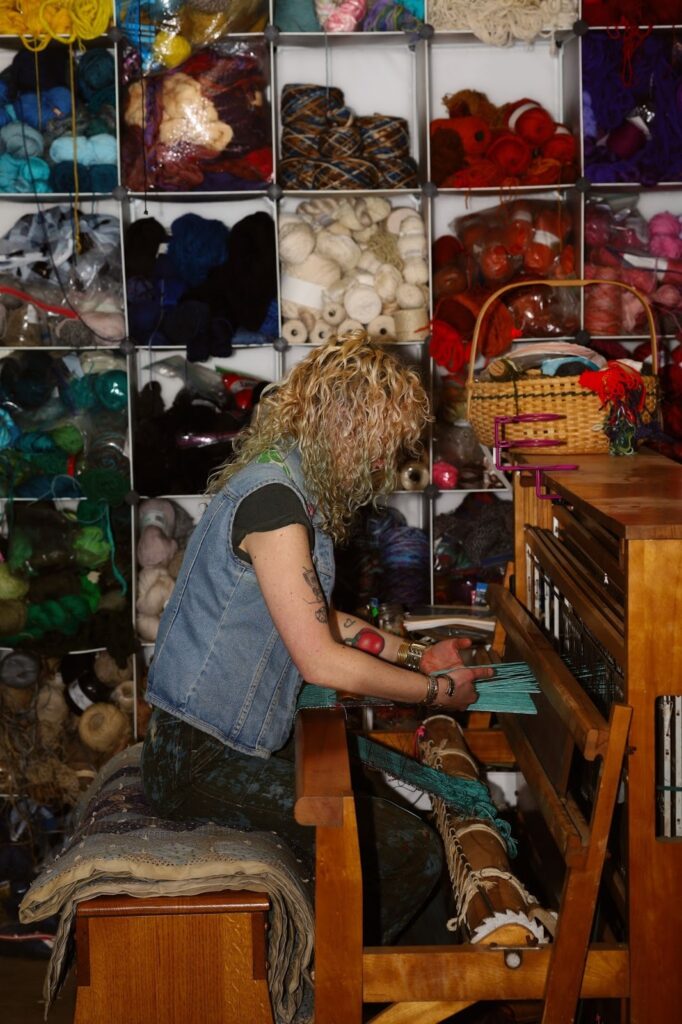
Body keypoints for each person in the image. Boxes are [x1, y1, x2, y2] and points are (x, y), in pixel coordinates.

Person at [141, 330, 494, 942]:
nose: (385, 467)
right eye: (383, 449)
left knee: (390, 820)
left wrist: (416, 654)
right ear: (353, 433)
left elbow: (317, 618)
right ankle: (316, 991)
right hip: (198, 761)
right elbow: (321, 658)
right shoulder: (276, 505)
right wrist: (434, 692)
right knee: (406, 850)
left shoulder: (282, 480)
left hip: (218, 743)